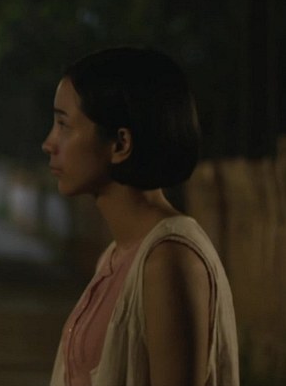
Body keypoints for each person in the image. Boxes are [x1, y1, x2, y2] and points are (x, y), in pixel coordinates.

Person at [43, 47, 239, 386]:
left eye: (64, 125)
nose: (49, 143)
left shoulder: (168, 261)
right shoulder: (116, 255)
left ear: (120, 144)